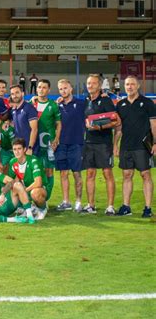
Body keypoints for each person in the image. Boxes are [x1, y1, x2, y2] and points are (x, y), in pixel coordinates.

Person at [114, 76, 155, 217]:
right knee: (126, 174)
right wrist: (115, 145)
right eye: (127, 84)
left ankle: (148, 208)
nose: (129, 87)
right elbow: (118, 128)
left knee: (145, 174)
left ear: (138, 86)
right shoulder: (120, 105)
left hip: (142, 146)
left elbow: (154, 125)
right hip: (126, 145)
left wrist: (155, 142)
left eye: (132, 84)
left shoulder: (148, 103)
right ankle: (126, 207)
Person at [81, 74, 120, 215]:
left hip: (104, 143)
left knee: (107, 173)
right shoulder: (85, 101)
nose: (90, 85)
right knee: (90, 173)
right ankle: (91, 205)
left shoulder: (106, 101)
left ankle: (110, 206)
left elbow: (116, 121)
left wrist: (101, 128)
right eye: (88, 83)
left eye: (93, 83)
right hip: (89, 142)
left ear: (99, 85)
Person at [54, 79, 86, 212]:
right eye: (61, 89)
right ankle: (66, 201)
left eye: (65, 88)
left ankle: (78, 201)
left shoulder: (81, 103)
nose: (63, 91)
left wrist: (103, 95)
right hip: (61, 144)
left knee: (77, 174)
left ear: (71, 88)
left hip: (76, 143)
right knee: (63, 173)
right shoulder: (57, 106)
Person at [33, 79, 61, 201]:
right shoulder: (31, 103)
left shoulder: (53, 105)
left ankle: (46, 198)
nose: (41, 89)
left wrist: (56, 138)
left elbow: (59, 124)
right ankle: (36, 196)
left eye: (44, 87)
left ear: (49, 90)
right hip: (34, 143)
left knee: (49, 169)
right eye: (39, 87)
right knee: (36, 170)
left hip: (48, 142)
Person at [8, 138, 49, 220]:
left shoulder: (33, 160)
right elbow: (10, 180)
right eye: (14, 149)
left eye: (19, 149)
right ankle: (28, 208)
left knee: (35, 193)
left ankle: (43, 208)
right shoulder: (13, 162)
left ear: (24, 149)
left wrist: (23, 191)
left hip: (41, 189)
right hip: (27, 189)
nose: (17, 152)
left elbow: (38, 183)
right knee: (12, 187)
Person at [9, 84, 38, 156]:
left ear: (22, 93)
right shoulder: (14, 111)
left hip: (29, 150)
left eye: (17, 92)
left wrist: (30, 147)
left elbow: (34, 129)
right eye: (12, 94)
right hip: (19, 150)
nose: (15, 95)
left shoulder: (29, 108)